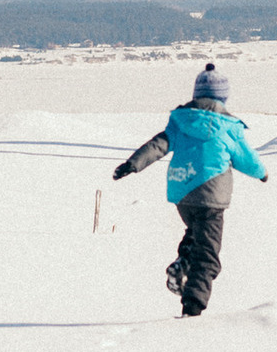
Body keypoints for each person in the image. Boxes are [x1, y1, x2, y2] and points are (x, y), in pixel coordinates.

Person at [112, 63, 268, 318]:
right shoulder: (229, 126)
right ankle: (192, 307)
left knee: (196, 232)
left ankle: (183, 262)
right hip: (211, 196)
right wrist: (262, 173)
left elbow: (158, 144)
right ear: (223, 97)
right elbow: (246, 159)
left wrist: (133, 164)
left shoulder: (180, 121)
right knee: (208, 257)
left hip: (182, 193)